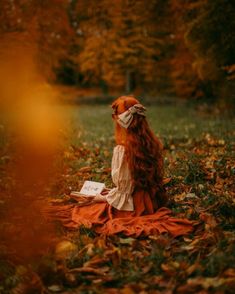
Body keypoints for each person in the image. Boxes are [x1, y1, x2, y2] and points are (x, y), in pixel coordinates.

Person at [50, 96, 193, 237]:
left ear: (123, 120)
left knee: (88, 211)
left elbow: (124, 193)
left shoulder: (124, 149)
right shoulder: (150, 143)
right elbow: (133, 185)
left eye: (116, 116)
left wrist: (100, 198)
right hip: (150, 202)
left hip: (132, 207)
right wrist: (110, 192)